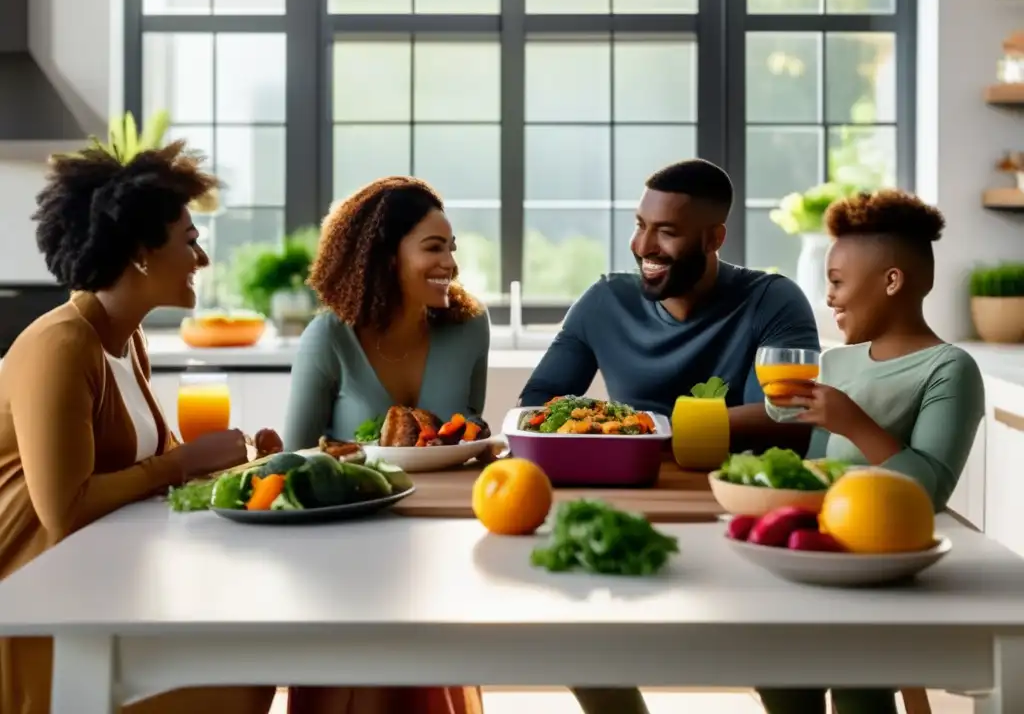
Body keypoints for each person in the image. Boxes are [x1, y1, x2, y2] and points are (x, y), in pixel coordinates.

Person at [0, 143, 276, 713]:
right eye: (191, 241)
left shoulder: (125, 340)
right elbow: (65, 508)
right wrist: (187, 460)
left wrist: (250, 466)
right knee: (243, 682)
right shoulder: (61, 344)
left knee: (256, 660)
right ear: (142, 253)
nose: (201, 258)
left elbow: (154, 472)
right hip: (32, 612)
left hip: (97, 592)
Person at [757, 189, 985, 714]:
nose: (829, 297)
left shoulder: (949, 369)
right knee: (777, 672)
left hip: (887, 560)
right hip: (821, 553)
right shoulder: (837, 363)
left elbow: (926, 491)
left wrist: (854, 423)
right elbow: (817, 470)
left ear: (891, 282)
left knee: (859, 684)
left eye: (837, 282)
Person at [282, 175, 487, 714]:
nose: (450, 263)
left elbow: (472, 431)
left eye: (452, 248)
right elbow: (295, 460)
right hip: (348, 553)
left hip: (445, 542)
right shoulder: (329, 338)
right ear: (385, 255)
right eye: (433, 247)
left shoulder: (470, 329)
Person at [520, 159, 820, 455]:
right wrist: (606, 425)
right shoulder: (604, 302)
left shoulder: (773, 301)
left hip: (732, 486)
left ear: (713, 239)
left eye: (667, 232)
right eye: (640, 225)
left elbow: (784, 420)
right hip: (630, 480)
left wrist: (653, 431)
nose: (643, 245)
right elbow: (536, 404)